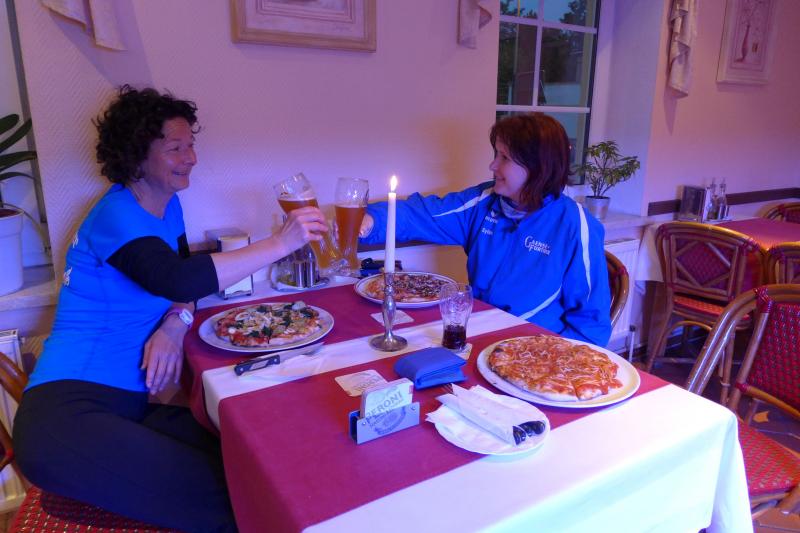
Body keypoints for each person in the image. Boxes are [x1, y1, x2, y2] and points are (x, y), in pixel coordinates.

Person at [12, 86, 328, 532]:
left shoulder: (169, 208)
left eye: (191, 145)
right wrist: (279, 243)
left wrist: (174, 326)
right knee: (237, 500)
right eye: (175, 148)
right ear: (137, 155)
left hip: (127, 406)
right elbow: (178, 279)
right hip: (66, 414)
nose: (191, 158)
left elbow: (183, 289)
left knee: (253, 458)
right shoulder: (115, 214)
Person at [360, 113, 611, 346]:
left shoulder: (577, 226)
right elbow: (423, 214)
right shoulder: (483, 201)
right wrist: (370, 220)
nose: (493, 166)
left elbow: (590, 324)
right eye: (496, 154)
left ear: (537, 167)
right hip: (478, 337)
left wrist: (553, 364)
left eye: (504, 158)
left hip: (535, 350)